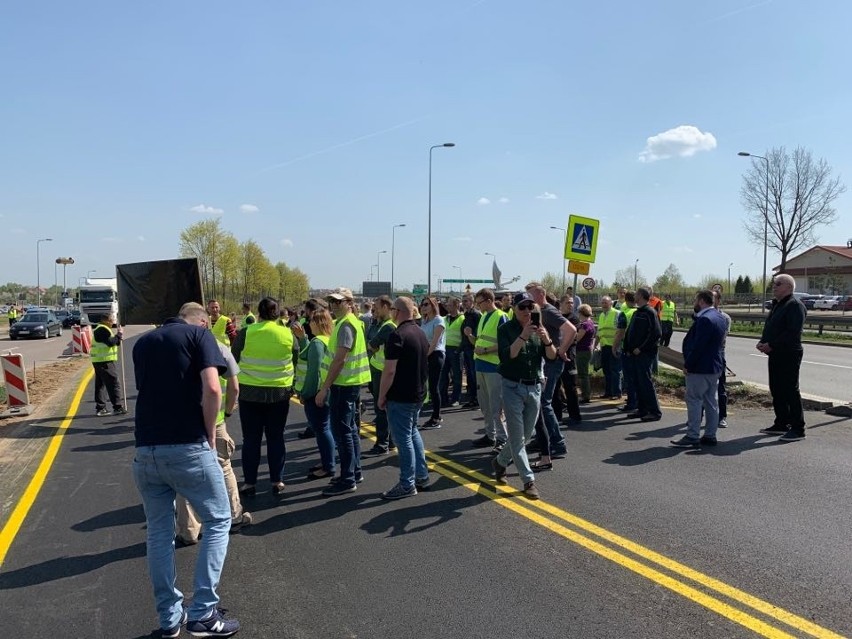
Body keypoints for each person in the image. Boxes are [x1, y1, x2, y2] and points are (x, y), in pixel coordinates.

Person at [132, 302, 239, 638]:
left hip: (146, 451)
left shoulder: (143, 343)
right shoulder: (200, 336)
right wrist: (209, 432)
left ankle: (169, 618)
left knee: (159, 533)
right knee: (219, 519)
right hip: (188, 446)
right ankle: (204, 612)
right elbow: (212, 388)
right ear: (203, 321)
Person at [176, 337, 252, 545]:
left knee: (185, 473)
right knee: (223, 467)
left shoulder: (171, 344)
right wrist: (227, 412)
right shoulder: (217, 346)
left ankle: (189, 530)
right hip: (215, 421)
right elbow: (234, 387)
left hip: (183, 422)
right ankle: (234, 516)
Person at [491, 293, 558, 500]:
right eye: (523, 307)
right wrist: (523, 336)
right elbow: (507, 356)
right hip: (512, 386)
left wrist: (546, 341)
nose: (527, 311)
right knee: (518, 437)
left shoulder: (539, 329)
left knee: (527, 435)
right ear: (514, 309)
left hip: (534, 387)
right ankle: (528, 481)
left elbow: (552, 356)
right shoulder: (505, 329)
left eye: (531, 307)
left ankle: (501, 461)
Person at [231, 297, 296, 496]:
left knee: (251, 439)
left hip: (250, 393)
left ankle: (249, 483)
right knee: (276, 437)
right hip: (279, 393)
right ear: (277, 313)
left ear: (258, 313)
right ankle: (277, 480)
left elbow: (234, 358)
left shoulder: (247, 332)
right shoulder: (288, 334)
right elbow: (296, 357)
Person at [316, 287, 371, 496]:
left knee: (342, 432)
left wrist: (324, 388)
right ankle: (354, 472)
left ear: (349, 302)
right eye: (332, 301)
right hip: (349, 384)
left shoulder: (347, 325)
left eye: (338, 302)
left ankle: (348, 478)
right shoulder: (347, 323)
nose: (334, 305)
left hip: (343, 385)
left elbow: (340, 359)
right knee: (350, 430)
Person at [377, 297, 431, 499]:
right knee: (412, 432)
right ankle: (422, 475)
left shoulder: (397, 335)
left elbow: (389, 371)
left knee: (403, 439)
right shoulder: (420, 332)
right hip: (417, 393)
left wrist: (381, 396)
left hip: (401, 396)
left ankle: (407, 483)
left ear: (396, 311)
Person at [671, 290, 728, 448]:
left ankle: (692, 435)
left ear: (702, 301)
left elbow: (698, 346)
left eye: (696, 300)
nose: (694, 303)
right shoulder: (719, 317)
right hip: (715, 366)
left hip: (700, 367)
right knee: (711, 401)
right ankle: (710, 435)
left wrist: (688, 364)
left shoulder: (704, 319)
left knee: (694, 400)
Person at [525, 282, 576, 458]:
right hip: (544, 362)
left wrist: (560, 350)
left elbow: (571, 330)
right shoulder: (538, 312)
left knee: (543, 403)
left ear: (540, 295)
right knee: (541, 402)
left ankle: (557, 443)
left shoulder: (548, 311)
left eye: (530, 296)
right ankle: (542, 439)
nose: (528, 300)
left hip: (552, 362)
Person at [757, 274, 807, 442]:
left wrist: (773, 345)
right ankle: (781, 422)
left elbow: (792, 332)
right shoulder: (778, 305)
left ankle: (798, 428)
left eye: (778, 284)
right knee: (776, 388)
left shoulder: (794, 305)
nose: (774, 286)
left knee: (790, 389)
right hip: (776, 353)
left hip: (789, 353)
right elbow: (772, 328)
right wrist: (763, 342)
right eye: (774, 284)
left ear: (788, 287)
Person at [293, 308, 336, 479]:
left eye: (311, 321)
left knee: (322, 429)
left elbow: (314, 372)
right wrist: (302, 339)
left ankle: (328, 466)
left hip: (316, 393)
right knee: (324, 428)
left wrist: (306, 393)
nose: (308, 323)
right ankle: (326, 461)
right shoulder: (326, 340)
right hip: (325, 392)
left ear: (317, 323)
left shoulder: (318, 342)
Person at [466, 288, 508, 451]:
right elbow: (479, 341)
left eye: (480, 302)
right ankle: (490, 435)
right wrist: (470, 337)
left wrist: (484, 351)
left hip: (493, 367)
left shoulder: (501, 316)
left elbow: (505, 343)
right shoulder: (483, 317)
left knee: (496, 405)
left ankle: (502, 438)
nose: (478, 306)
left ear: (489, 301)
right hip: (481, 365)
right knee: (485, 404)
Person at [623, 288, 662, 422]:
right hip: (633, 353)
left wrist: (641, 348)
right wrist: (627, 348)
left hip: (644, 354)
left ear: (641, 296)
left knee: (645, 381)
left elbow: (656, 334)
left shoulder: (650, 312)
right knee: (637, 381)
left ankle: (654, 411)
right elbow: (630, 332)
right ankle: (642, 409)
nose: (634, 296)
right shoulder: (638, 312)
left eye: (636, 294)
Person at [365, 296, 396, 455]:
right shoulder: (384, 324)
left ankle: (382, 444)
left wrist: (374, 346)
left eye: (376, 306)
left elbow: (371, 344)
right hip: (381, 369)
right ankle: (389, 442)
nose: (374, 309)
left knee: (381, 407)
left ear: (385, 307)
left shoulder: (387, 327)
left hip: (381, 370)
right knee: (386, 408)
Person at [90, 312, 126, 416]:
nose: (112, 322)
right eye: (111, 320)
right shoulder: (102, 329)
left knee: (101, 384)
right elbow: (110, 342)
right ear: (105, 320)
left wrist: (118, 338)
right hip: (104, 361)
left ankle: (101, 408)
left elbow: (113, 342)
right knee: (113, 383)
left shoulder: (101, 329)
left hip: (100, 360)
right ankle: (117, 407)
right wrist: (118, 335)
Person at [419, 296, 446, 429]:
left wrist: (423, 356)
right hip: (425, 354)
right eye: (422, 305)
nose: (423, 307)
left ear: (433, 305)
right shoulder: (424, 321)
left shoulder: (438, 320)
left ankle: (436, 417)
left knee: (434, 387)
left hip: (435, 355)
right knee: (426, 386)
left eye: (426, 304)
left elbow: (434, 343)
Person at [613, 292, 637, 413]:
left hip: (626, 348)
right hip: (638, 350)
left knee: (629, 377)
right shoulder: (639, 312)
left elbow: (620, 333)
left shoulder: (624, 314)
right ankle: (638, 401)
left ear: (625, 300)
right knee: (637, 377)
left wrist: (614, 346)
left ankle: (631, 402)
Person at [439, 296, 465, 408]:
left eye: (449, 304)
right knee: (443, 376)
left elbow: (464, 337)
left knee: (457, 376)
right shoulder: (445, 318)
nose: (446, 306)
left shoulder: (462, 319)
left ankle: (455, 399)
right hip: (444, 349)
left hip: (456, 351)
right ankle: (443, 399)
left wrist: (459, 350)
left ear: (456, 306)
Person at [595, 295, 621, 400]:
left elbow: (620, 330)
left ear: (611, 303)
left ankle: (616, 393)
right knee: (606, 370)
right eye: (602, 303)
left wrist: (616, 346)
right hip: (604, 346)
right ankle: (608, 392)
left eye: (606, 303)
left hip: (614, 346)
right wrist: (595, 344)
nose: (604, 305)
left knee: (615, 370)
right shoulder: (601, 315)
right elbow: (599, 331)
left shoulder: (617, 314)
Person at [713, 290, 732, 427]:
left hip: (718, 355)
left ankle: (722, 417)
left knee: (720, 387)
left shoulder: (724, 318)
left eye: (713, 298)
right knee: (702, 388)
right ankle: (699, 415)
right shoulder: (700, 315)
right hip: (704, 356)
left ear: (718, 301)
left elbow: (721, 339)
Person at [460, 292, 481, 408]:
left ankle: (477, 398)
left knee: (474, 375)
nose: (463, 303)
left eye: (466, 301)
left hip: (473, 348)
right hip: (466, 348)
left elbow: (478, 332)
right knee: (470, 375)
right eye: (463, 301)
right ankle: (472, 398)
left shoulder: (476, 315)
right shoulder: (466, 314)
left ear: (472, 302)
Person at [573, 304, 596, 404]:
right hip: (586, 350)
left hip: (582, 351)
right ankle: (586, 394)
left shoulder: (585, 325)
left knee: (583, 374)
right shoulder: (590, 322)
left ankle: (585, 395)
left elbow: (577, 338)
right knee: (584, 373)